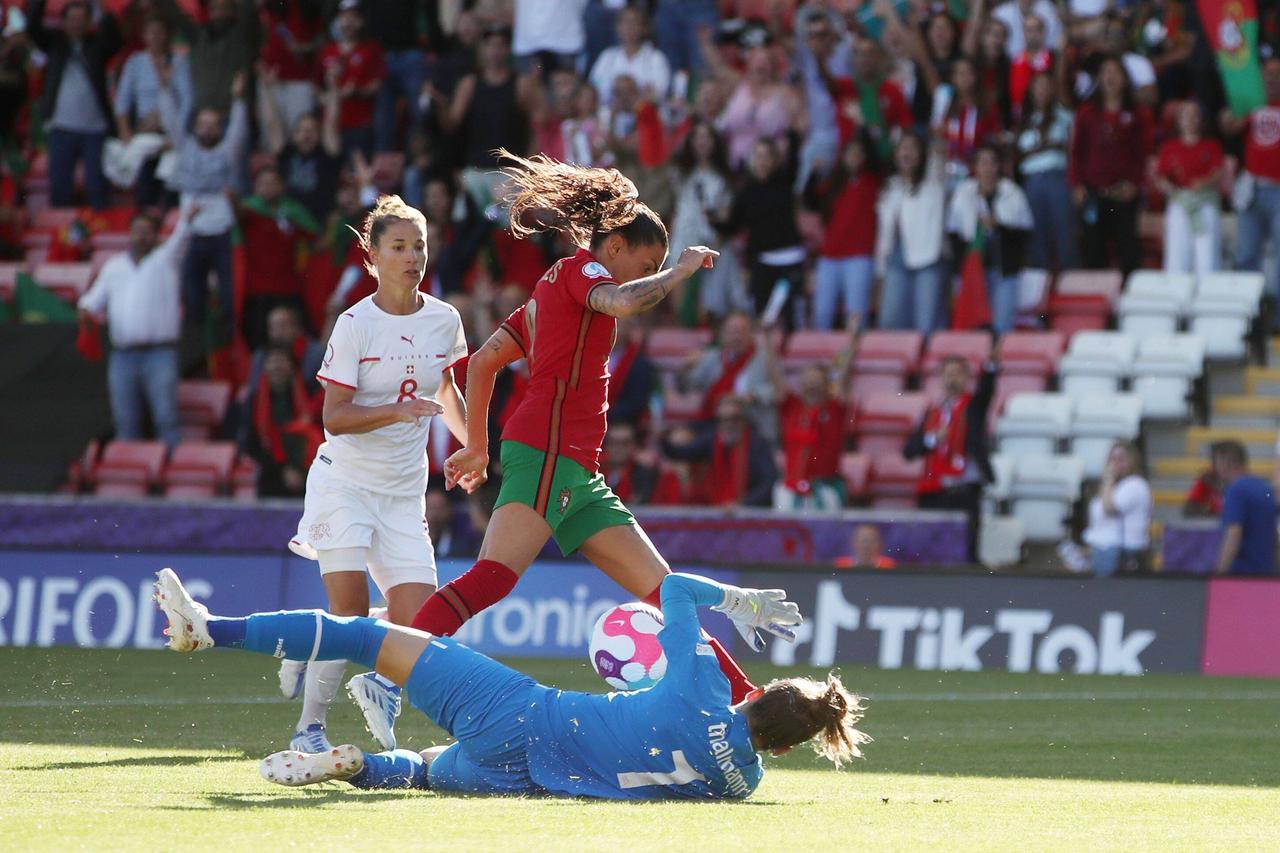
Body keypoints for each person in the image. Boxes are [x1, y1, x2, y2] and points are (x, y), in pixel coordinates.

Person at [416, 151, 761, 709]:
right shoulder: (586, 273)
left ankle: (749, 703)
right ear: (616, 247)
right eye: (645, 262)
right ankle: (390, 674)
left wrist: (477, 447)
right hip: (550, 447)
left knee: (667, 594)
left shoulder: (547, 290)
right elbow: (624, 300)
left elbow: (481, 364)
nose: (646, 274)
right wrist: (680, 271)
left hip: (574, 465)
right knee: (493, 578)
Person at [154, 567, 864, 800]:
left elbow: (674, 586)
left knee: (369, 636)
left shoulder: (703, 682)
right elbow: (737, 750)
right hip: (532, 777)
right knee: (426, 771)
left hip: (527, 712)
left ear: (755, 690)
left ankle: (210, 629)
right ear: (786, 747)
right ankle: (356, 766)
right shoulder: (742, 781)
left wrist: (737, 602)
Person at [282, 195, 472, 757]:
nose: (413, 256)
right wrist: (396, 410)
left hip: (402, 492)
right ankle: (309, 727)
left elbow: (447, 390)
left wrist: (477, 448)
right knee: (346, 613)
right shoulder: (354, 324)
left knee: (421, 618)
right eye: (399, 246)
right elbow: (333, 419)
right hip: (345, 485)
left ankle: (378, 682)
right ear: (372, 256)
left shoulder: (445, 319)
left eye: (419, 245)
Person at [77, 205, 195, 451]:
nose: (141, 236)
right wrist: (85, 309)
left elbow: (181, 238)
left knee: (165, 417)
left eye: (146, 232)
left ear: (156, 235)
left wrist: (187, 218)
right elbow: (93, 299)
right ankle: (125, 473)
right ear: (128, 235)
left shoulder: (166, 259)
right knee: (125, 419)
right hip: (123, 355)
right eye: (136, 231)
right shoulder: (114, 266)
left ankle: (171, 470)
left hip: (160, 353)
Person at [160, 71, 249, 356]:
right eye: (203, 124)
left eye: (213, 125)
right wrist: (165, 86)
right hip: (193, 234)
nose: (208, 129)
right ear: (195, 126)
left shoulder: (226, 152)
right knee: (192, 296)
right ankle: (193, 350)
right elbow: (171, 120)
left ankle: (225, 349)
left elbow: (238, 130)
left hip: (222, 233)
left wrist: (237, 100)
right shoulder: (185, 148)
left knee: (227, 296)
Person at [26, 0, 120, 209]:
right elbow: (31, 26)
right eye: (72, 19)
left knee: (96, 184)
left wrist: (100, 8)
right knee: (59, 184)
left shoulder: (98, 45)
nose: (77, 24)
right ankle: (61, 232)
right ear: (63, 22)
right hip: (61, 126)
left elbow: (114, 39)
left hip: (95, 128)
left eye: (81, 19)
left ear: (89, 22)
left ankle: (99, 225)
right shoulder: (54, 42)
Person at [903, 356, 995, 559]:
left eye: (957, 373)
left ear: (967, 378)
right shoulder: (932, 412)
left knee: (966, 548)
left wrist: (991, 368)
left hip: (964, 491)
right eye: (947, 374)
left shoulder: (973, 408)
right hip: (934, 491)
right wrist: (930, 440)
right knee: (930, 549)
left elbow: (986, 392)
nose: (952, 378)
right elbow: (909, 451)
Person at [1069, 56, 1152, 278]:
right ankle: (1098, 300)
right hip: (1094, 193)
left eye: (1115, 72)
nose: (1110, 77)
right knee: (1094, 247)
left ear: (1124, 79)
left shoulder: (1137, 114)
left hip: (1124, 194)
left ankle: (1129, 300)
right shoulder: (1087, 113)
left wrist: (1136, 185)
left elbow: (1143, 154)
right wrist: (1077, 185)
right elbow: (1077, 152)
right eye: (1105, 72)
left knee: (1128, 249)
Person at [760, 325, 855, 511]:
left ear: (827, 385)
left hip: (825, 488)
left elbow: (845, 377)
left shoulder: (836, 409)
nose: (812, 385)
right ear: (801, 384)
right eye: (808, 380)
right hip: (790, 488)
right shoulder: (791, 407)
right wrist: (767, 341)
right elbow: (774, 375)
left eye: (817, 381)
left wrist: (853, 341)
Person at [946, 145, 1033, 335]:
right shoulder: (963, 193)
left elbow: (1025, 232)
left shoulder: (1013, 193)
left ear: (999, 166)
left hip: (1004, 271)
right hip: (973, 269)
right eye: (982, 162)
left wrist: (998, 226)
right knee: (973, 326)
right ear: (975, 167)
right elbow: (953, 233)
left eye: (992, 162)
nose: (988, 168)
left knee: (1001, 326)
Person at [722, 138, 805, 332]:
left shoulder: (785, 182)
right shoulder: (745, 193)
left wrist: (793, 134)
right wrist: (712, 219)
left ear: (775, 160)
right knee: (761, 317)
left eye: (767, 157)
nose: (763, 162)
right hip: (762, 263)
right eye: (758, 156)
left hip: (790, 260)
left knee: (788, 318)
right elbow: (732, 226)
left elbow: (794, 160)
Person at [804, 134, 881, 332]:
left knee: (856, 315)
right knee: (821, 314)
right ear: (843, 156)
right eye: (850, 153)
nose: (854, 157)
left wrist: (864, 125)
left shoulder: (873, 182)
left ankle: (852, 360)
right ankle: (819, 359)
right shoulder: (833, 184)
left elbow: (883, 153)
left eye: (859, 153)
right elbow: (809, 200)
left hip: (859, 257)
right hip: (829, 257)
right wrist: (814, 174)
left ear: (866, 157)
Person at [112, 15, 191, 207]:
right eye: (151, 32)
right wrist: (126, 133)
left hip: (172, 131)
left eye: (159, 32)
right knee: (144, 183)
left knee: (170, 183)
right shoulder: (135, 62)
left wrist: (176, 134)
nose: (155, 37)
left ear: (167, 35)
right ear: (144, 36)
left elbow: (188, 100)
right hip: (144, 130)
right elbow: (122, 101)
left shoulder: (178, 61)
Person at [1222, 56, 1280, 312]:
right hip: (1252, 188)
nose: (1271, 78)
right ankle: (1248, 315)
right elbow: (1229, 127)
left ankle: (1277, 322)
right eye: (1267, 73)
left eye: (1276, 74)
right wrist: (1234, 106)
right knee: (1246, 255)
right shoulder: (1252, 102)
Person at [876, 132, 947, 333]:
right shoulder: (890, 185)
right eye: (903, 147)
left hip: (928, 258)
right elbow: (884, 232)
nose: (907, 152)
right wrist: (880, 268)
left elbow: (939, 152)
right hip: (896, 257)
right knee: (889, 320)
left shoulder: (933, 182)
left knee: (926, 322)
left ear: (922, 155)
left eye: (913, 148)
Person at [662, 394, 778, 508]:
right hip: (720, 510)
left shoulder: (757, 444)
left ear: (743, 419)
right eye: (723, 419)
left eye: (734, 418)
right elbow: (680, 453)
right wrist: (662, 438)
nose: (728, 424)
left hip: (749, 513)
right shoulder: (714, 440)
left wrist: (742, 505)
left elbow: (768, 482)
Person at [239, 345, 323, 498]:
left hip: (312, 478)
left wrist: (302, 472)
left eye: (282, 360)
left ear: (292, 366)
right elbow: (251, 444)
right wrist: (283, 470)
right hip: (271, 480)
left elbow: (321, 433)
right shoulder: (254, 402)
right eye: (271, 361)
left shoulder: (310, 394)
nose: (277, 366)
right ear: (264, 368)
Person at [1154, 102, 1223, 276]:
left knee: (1206, 250)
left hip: (1204, 201)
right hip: (1180, 201)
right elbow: (1160, 177)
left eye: (1195, 115)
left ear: (1201, 120)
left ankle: (1207, 292)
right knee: (1177, 250)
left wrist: (1203, 182)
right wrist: (1172, 191)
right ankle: (1176, 294)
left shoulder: (1211, 145)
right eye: (1186, 115)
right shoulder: (1169, 147)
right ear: (1179, 121)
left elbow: (1218, 172)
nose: (1190, 119)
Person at [1016, 71, 1076, 271]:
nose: (1041, 90)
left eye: (1046, 85)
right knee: (1036, 233)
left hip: (1056, 177)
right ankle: (1040, 281)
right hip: (1032, 180)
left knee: (1063, 230)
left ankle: (1069, 278)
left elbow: (1073, 148)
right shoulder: (1025, 119)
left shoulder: (1065, 116)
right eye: (1037, 86)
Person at [317, 0, 385, 161]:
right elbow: (316, 86)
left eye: (353, 18)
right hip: (331, 125)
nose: (348, 22)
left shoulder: (371, 49)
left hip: (359, 125)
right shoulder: (326, 51)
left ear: (361, 22)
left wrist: (357, 91)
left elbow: (378, 84)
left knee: (357, 172)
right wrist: (326, 97)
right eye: (344, 17)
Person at [1080, 442, 1153, 576]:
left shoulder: (1136, 484)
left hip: (1120, 552)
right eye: (1112, 459)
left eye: (1121, 459)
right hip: (1103, 550)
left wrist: (1108, 479)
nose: (1115, 464)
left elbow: (1109, 508)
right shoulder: (1114, 487)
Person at [1211, 441, 1278, 576]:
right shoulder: (1265, 489)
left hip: (1241, 574)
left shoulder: (1236, 490)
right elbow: (1275, 536)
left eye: (1216, 462)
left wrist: (1219, 573)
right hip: (1266, 574)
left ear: (1225, 461)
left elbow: (1233, 532)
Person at [589, 6, 671, 110]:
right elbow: (595, 89)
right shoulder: (607, 56)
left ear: (644, 28)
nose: (629, 27)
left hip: (643, 115)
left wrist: (632, 93)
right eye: (625, 22)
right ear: (618, 27)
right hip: (610, 113)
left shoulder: (656, 58)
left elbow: (659, 93)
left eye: (634, 23)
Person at [601, 421, 659, 506]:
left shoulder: (646, 475)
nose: (618, 448)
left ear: (634, 445)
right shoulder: (593, 474)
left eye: (625, 443)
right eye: (613, 443)